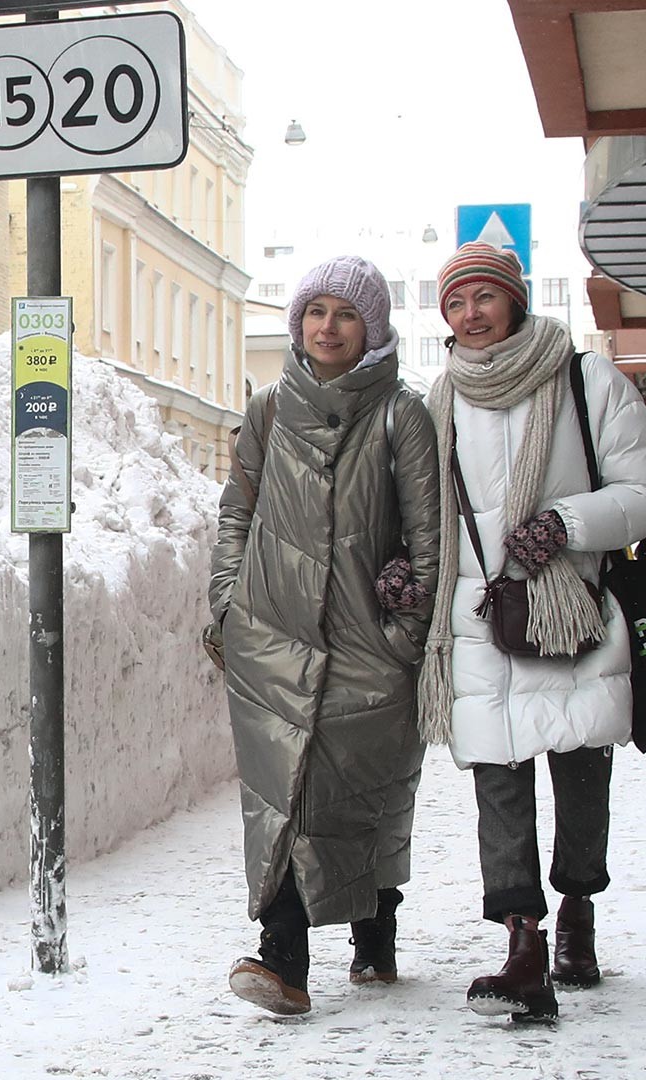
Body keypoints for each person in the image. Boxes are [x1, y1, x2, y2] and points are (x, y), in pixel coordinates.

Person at [413, 242, 646, 1022]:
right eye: (455, 304)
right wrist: (407, 567)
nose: (470, 314)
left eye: (484, 297)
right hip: (482, 615)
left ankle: (579, 913)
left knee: (580, 774)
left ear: (516, 301)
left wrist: (566, 524)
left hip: (570, 608)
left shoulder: (586, 377)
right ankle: (524, 941)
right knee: (498, 780)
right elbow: (427, 507)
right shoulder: (442, 397)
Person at [206, 255, 442, 1015]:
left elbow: (427, 538)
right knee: (283, 796)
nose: (328, 328)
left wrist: (404, 632)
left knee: (357, 796)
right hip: (271, 635)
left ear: (370, 326)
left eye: (345, 314)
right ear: (298, 323)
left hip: (365, 643)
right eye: (316, 312)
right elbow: (236, 510)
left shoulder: (402, 414)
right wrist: (227, 605)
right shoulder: (270, 407)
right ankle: (285, 961)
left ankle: (374, 931)